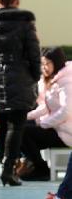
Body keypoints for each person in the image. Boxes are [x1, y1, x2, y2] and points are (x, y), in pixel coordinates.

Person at [0, 0, 41, 186]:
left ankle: (5, 164)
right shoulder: (25, 24)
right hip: (19, 79)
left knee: (4, 124)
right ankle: (8, 169)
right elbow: (34, 54)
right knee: (16, 126)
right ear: (16, 1)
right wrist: (35, 76)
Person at [19, 47, 70, 182]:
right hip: (58, 127)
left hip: (66, 132)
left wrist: (44, 124)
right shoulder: (53, 79)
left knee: (23, 132)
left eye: (47, 63)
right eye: (42, 64)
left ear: (57, 63)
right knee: (20, 126)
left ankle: (40, 169)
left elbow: (66, 111)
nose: (44, 67)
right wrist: (28, 116)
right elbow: (47, 107)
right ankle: (34, 164)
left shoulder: (66, 82)